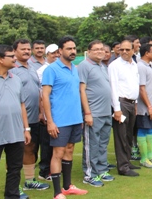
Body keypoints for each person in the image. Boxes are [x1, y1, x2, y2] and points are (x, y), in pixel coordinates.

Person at [0, 45, 31, 199]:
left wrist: (26, 128)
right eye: (11, 56)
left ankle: (12, 196)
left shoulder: (16, 79)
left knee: (15, 170)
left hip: (15, 134)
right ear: (0, 59)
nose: (15, 58)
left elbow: (21, 104)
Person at [42, 36, 88, 198]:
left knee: (69, 150)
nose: (73, 51)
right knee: (58, 153)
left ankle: (67, 186)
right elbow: (45, 96)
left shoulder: (74, 69)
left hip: (75, 119)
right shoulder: (51, 70)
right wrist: (50, 122)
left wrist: (80, 117)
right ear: (60, 51)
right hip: (59, 120)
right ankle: (57, 192)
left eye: (74, 48)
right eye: (69, 48)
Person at [11, 39, 50, 196]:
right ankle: (13, 186)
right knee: (14, 152)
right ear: (15, 51)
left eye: (28, 49)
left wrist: (41, 112)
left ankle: (29, 180)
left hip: (33, 117)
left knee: (31, 148)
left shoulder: (32, 67)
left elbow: (38, 91)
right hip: (17, 118)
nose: (26, 51)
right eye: (23, 49)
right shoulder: (12, 68)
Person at [79, 40, 114, 187]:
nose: (100, 51)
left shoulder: (102, 66)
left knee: (103, 143)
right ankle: (90, 174)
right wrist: (87, 112)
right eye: (96, 49)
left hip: (106, 112)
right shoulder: (84, 66)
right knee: (91, 144)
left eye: (102, 49)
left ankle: (101, 169)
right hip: (93, 113)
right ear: (89, 51)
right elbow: (82, 90)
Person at [108, 39, 141, 177]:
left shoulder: (134, 64)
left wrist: (136, 103)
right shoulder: (114, 66)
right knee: (121, 135)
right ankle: (122, 167)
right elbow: (113, 87)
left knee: (128, 134)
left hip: (132, 103)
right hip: (121, 103)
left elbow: (135, 84)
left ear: (133, 50)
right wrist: (116, 108)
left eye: (128, 49)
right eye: (122, 49)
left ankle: (127, 161)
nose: (124, 52)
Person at [37, 44, 59, 182]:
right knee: (46, 143)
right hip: (47, 112)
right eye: (53, 53)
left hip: (58, 112)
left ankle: (53, 169)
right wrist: (43, 113)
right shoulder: (42, 70)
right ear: (47, 55)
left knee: (56, 143)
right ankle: (44, 171)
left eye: (58, 52)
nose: (56, 55)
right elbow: (41, 94)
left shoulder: (60, 68)